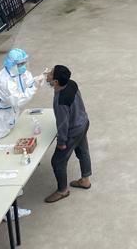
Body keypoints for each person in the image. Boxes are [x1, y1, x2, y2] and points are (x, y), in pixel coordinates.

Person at [43, 65, 91, 203]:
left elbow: (63, 123)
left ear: (56, 82)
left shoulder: (61, 101)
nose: (48, 74)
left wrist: (62, 142)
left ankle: (62, 191)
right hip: (83, 122)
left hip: (74, 130)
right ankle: (85, 180)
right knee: (83, 151)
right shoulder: (71, 83)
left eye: (51, 74)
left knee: (57, 161)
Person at [0, 48, 44, 148]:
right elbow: (18, 101)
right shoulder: (4, 81)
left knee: (13, 138)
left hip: (12, 111)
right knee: (0, 145)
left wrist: (37, 80)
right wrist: (34, 87)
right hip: (0, 117)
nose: (23, 66)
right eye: (20, 64)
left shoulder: (20, 72)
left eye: (24, 63)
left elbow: (28, 82)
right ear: (11, 64)